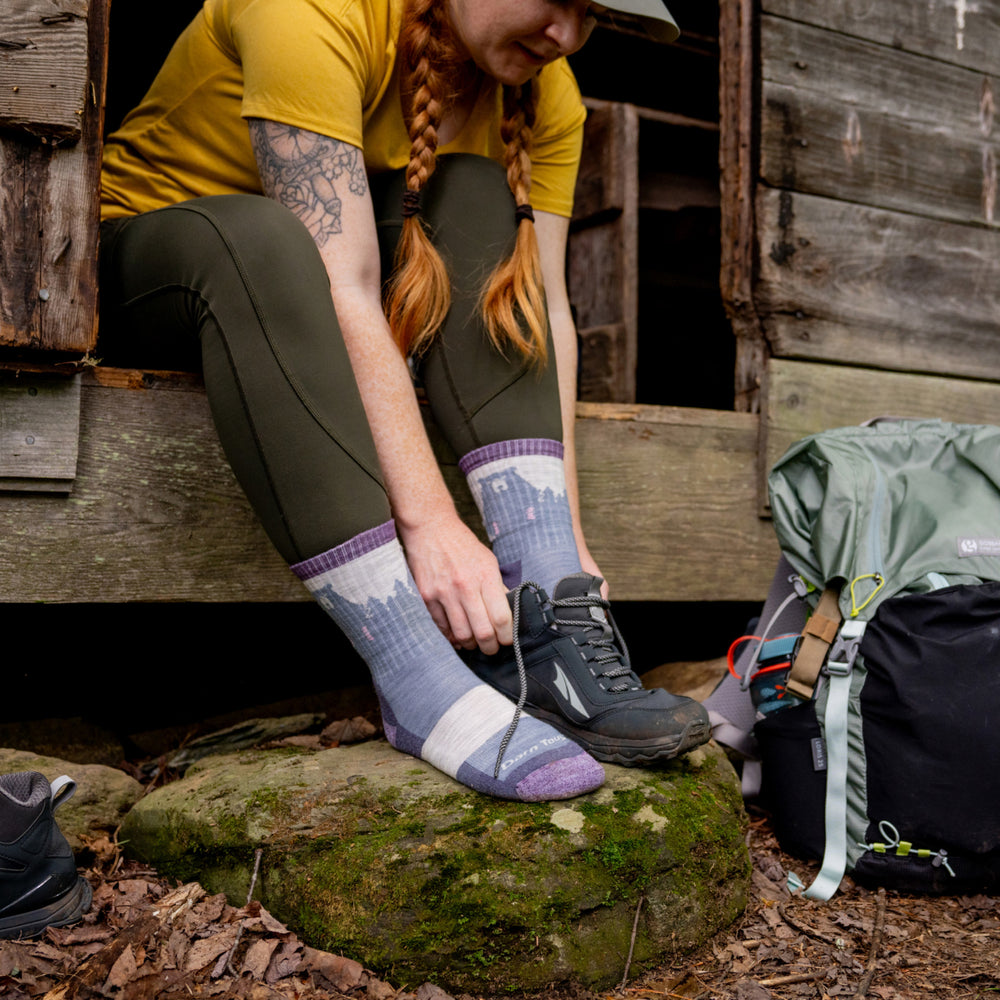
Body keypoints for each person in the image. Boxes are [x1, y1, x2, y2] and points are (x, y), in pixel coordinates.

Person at [98, 0, 709, 803]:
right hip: (160, 266)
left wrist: (569, 546)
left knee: (474, 191)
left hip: (316, 293)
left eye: (591, 13)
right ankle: (414, 672)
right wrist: (428, 521)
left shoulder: (548, 88)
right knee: (258, 238)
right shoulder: (313, 10)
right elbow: (340, 280)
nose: (567, 34)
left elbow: (549, 306)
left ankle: (555, 639)